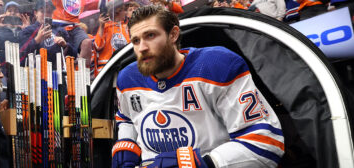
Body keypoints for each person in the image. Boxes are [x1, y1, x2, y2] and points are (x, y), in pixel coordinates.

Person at [112, 5, 284, 168]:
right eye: (135, 40)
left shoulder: (217, 66)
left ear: (173, 35)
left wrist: (204, 163)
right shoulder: (128, 79)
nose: (141, 48)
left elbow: (266, 141)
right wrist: (126, 142)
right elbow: (126, 118)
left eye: (150, 35)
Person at [19, 0, 76, 69]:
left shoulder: (60, 30)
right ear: (35, 13)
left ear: (52, 14)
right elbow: (21, 54)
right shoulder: (28, 30)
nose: (46, 14)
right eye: (42, 11)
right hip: (35, 73)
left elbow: (74, 55)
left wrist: (65, 45)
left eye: (49, 12)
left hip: (56, 73)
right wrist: (36, 40)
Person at [94, 0, 130, 74]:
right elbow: (98, 46)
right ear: (118, 11)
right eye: (124, 10)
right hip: (106, 68)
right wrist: (101, 26)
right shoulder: (106, 26)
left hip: (122, 66)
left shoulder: (125, 28)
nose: (126, 13)